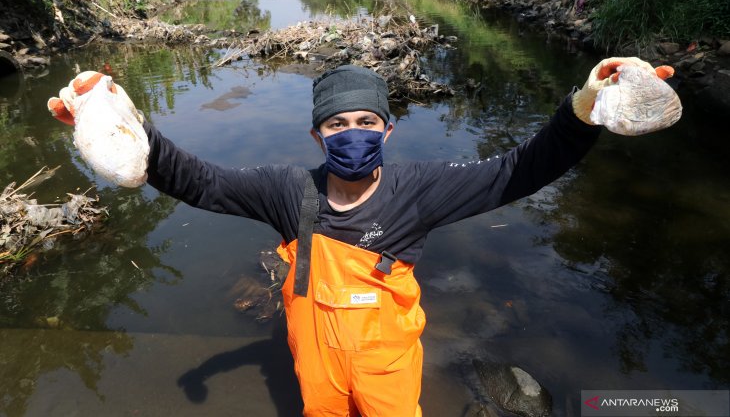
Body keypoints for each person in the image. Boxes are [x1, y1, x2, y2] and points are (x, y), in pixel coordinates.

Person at [47, 58, 673, 416]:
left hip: (388, 368)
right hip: (315, 368)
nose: (352, 133)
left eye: (366, 122)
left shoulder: (420, 191)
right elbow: (199, 180)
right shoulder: (285, 191)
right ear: (318, 136)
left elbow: (519, 170)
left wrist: (584, 108)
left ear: (388, 132)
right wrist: (125, 126)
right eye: (338, 124)